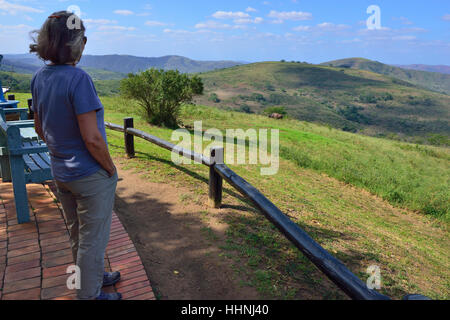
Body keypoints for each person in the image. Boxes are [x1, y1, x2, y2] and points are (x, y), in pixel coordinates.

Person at [29, 11, 122, 300]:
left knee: (78, 234)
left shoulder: (39, 77)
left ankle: (91, 278)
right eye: (83, 38)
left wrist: (61, 152)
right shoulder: (79, 79)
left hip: (61, 171)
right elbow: (92, 137)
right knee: (93, 240)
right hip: (89, 174)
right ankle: (90, 295)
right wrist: (109, 169)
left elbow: (39, 127)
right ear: (74, 43)